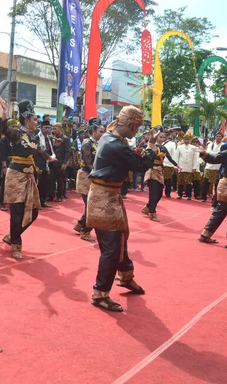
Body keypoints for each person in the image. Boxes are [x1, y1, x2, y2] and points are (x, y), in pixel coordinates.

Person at [86, 106, 157, 312]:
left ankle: (126, 277)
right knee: (111, 248)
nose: (136, 132)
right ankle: (100, 293)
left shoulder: (112, 138)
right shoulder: (115, 145)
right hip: (103, 198)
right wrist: (152, 146)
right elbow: (142, 165)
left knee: (120, 240)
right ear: (127, 124)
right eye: (135, 128)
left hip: (109, 195)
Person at [1, 99, 55, 259]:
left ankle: (12, 235)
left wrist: (49, 158)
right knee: (17, 211)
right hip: (16, 175)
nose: (36, 122)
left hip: (29, 176)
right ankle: (16, 245)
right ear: (26, 119)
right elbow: (4, 129)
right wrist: (4, 112)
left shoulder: (33, 137)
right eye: (34, 119)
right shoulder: (17, 134)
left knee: (34, 211)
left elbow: (39, 151)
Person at [74, 121, 105, 241]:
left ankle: (81, 224)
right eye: (100, 131)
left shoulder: (99, 144)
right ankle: (85, 231)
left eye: (103, 131)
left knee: (91, 205)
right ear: (93, 131)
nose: (103, 134)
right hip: (86, 176)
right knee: (91, 205)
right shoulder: (87, 143)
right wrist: (99, 172)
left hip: (94, 175)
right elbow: (87, 162)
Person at [141, 131, 179, 222]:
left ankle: (147, 207)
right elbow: (144, 155)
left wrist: (177, 165)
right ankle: (152, 213)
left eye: (163, 137)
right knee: (153, 193)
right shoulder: (150, 146)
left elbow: (169, 158)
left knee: (159, 193)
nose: (162, 139)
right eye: (160, 137)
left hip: (160, 172)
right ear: (156, 137)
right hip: (151, 171)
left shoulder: (163, 148)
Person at [34, 120, 54, 208]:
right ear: (41, 128)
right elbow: (36, 152)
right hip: (38, 164)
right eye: (46, 128)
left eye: (49, 128)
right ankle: (36, 203)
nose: (47, 130)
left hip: (46, 164)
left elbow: (50, 151)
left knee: (45, 184)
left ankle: (43, 201)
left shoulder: (49, 139)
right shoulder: (36, 138)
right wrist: (36, 166)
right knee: (38, 184)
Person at [201, 133, 224, 203]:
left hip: (218, 167)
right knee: (206, 183)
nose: (218, 138)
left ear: (222, 137)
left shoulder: (223, 146)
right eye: (217, 136)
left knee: (217, 184)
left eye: (220, 136)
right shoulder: (210, 145)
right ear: (215, 137)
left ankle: (216, 199)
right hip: (209, 167)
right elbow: (207, 154)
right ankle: (203, 197)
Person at [175, 133, 197, 200]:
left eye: (187, 139)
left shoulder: (193, 148)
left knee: (188, 182)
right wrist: (176, 166)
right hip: (181, 166)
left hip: (189, 167)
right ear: (183, 139)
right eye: (185, 139)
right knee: (180, 181)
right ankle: (180, 194)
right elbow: (176, 157)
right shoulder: (179, 147)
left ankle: (188, 195)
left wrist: (194, 167)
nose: (186, 141)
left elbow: (195, 158)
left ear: (190, 140)